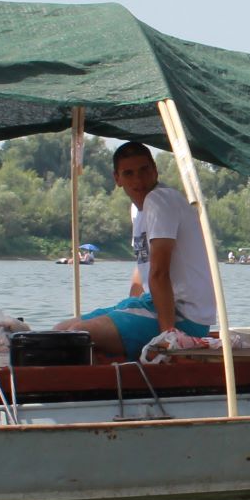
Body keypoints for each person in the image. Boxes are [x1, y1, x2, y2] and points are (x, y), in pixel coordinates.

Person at [55, 142, 219, 357]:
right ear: (117, 179)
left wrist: (168, 337)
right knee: (61, 330)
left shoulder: (160, 200)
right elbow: (142, 269)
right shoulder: (137, 210)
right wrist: (126, 314)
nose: (138, 180)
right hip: (152, 304)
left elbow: (159, 273)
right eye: (129, 173)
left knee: (78, 333)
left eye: (144, 170)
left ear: (155, 170)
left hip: (185, 317)